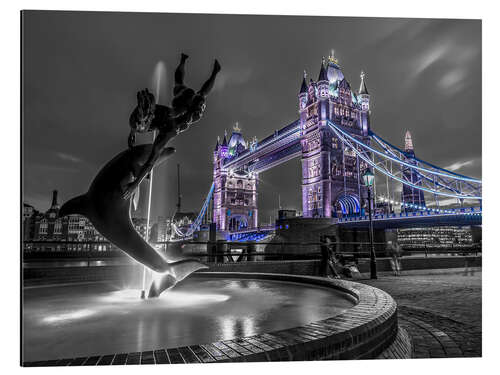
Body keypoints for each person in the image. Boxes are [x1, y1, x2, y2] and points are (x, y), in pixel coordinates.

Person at [123, 54, 221, 200]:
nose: (140, 127)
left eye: (140, 126)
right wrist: (132, 133)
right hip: (179, 101)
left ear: (149, 121)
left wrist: (135, 185)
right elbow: (136, 122)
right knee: (179, 82)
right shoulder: (152, 112)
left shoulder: (167, 131)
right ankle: (183, 60)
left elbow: (151, 161)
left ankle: (215, 72)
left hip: (187, 113)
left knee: (201, 94)